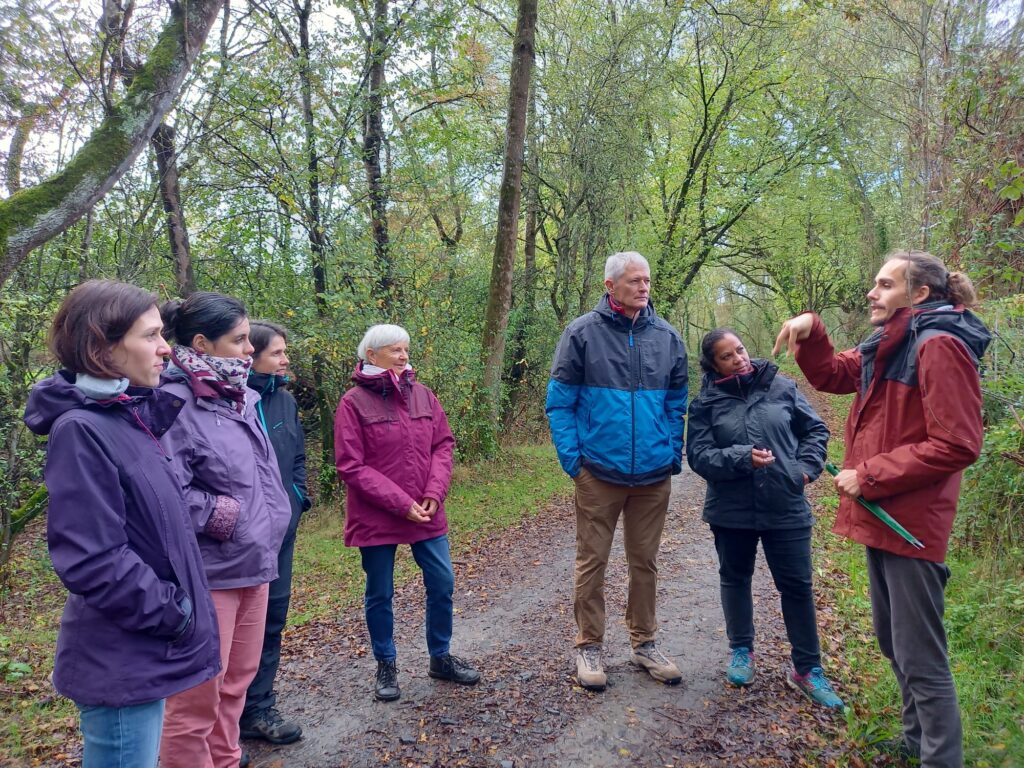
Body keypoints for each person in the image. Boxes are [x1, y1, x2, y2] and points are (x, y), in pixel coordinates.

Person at [774, 250, 991, 767]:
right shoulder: (891, 342)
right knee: (895, 644)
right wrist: (812, 329)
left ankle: (941, 758)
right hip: (883, 515)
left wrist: (868, 475)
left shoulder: (938, 346)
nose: (872, 292)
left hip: (911, 521)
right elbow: (832, 374)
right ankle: (916, 742)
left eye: (884, 284)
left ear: (919, 295)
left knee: (922, 659)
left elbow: (959, 443)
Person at [23, 280, 220, 768]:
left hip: (141, 648)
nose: (165, 350)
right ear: (101, 347)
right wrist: (174, 614)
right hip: (120, 658)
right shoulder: (81, 430)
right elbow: (93, 558)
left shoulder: (126, 417)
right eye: (150, 336)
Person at [158, 292, 292, 768]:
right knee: (197, 696)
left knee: (238, 681)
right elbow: (165, 492)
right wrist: (226, 517)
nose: (248, 351)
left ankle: (227, 758)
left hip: (256, 562)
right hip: (210, 571)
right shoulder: (172, 402)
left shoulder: (242, 395)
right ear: (201, 342)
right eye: (238, 340)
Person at [546, 251, 689, 691]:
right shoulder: (582, 334)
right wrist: (575, 462)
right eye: (634, 281)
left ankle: (644, 642)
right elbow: (559, 402)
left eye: (647, 280)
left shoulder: (667, 337)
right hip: (599, 473)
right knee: (593, 561)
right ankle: (588, 645)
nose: (643, 288)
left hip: (652, 475)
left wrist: (670, 452)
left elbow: (676, 403)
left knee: (644, 562)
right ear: (611, 286)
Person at [686, 328, 843, 710]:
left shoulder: (782, 387)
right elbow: (699, 456)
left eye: (740, 349)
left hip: (785, 504)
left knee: (797, 586)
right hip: (731, 509)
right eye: (727, 356)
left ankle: (807, 668)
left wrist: (804, 470)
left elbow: (816, 430)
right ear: (713, 364)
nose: (739, 358)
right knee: (735, 578)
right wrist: (741, 456)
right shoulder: (706, 403)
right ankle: (742, 651)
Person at [334, 324, 480, 702]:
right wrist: (401, 503)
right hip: (378, 514)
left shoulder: (424, 396)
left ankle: (441, 657)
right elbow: (351, 466)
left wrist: (434, 493)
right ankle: (386, 664)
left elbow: (443, 446)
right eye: (395, 350)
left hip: (427, 510)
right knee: (380, 592)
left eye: (406, 349)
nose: (403, 356)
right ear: (371, 355)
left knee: (442, 581)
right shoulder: (352, 402)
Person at [239, 321, 310, 745]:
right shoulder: (231, 401)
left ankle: (259, 708)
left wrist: (298, 497)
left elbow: (297, 453)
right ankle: (222, 723)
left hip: (282, 532)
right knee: (233, 628)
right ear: (252, 356)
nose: (285, 360)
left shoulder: (283, 400)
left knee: (272, 619)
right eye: (278, 353)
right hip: (238, 538)